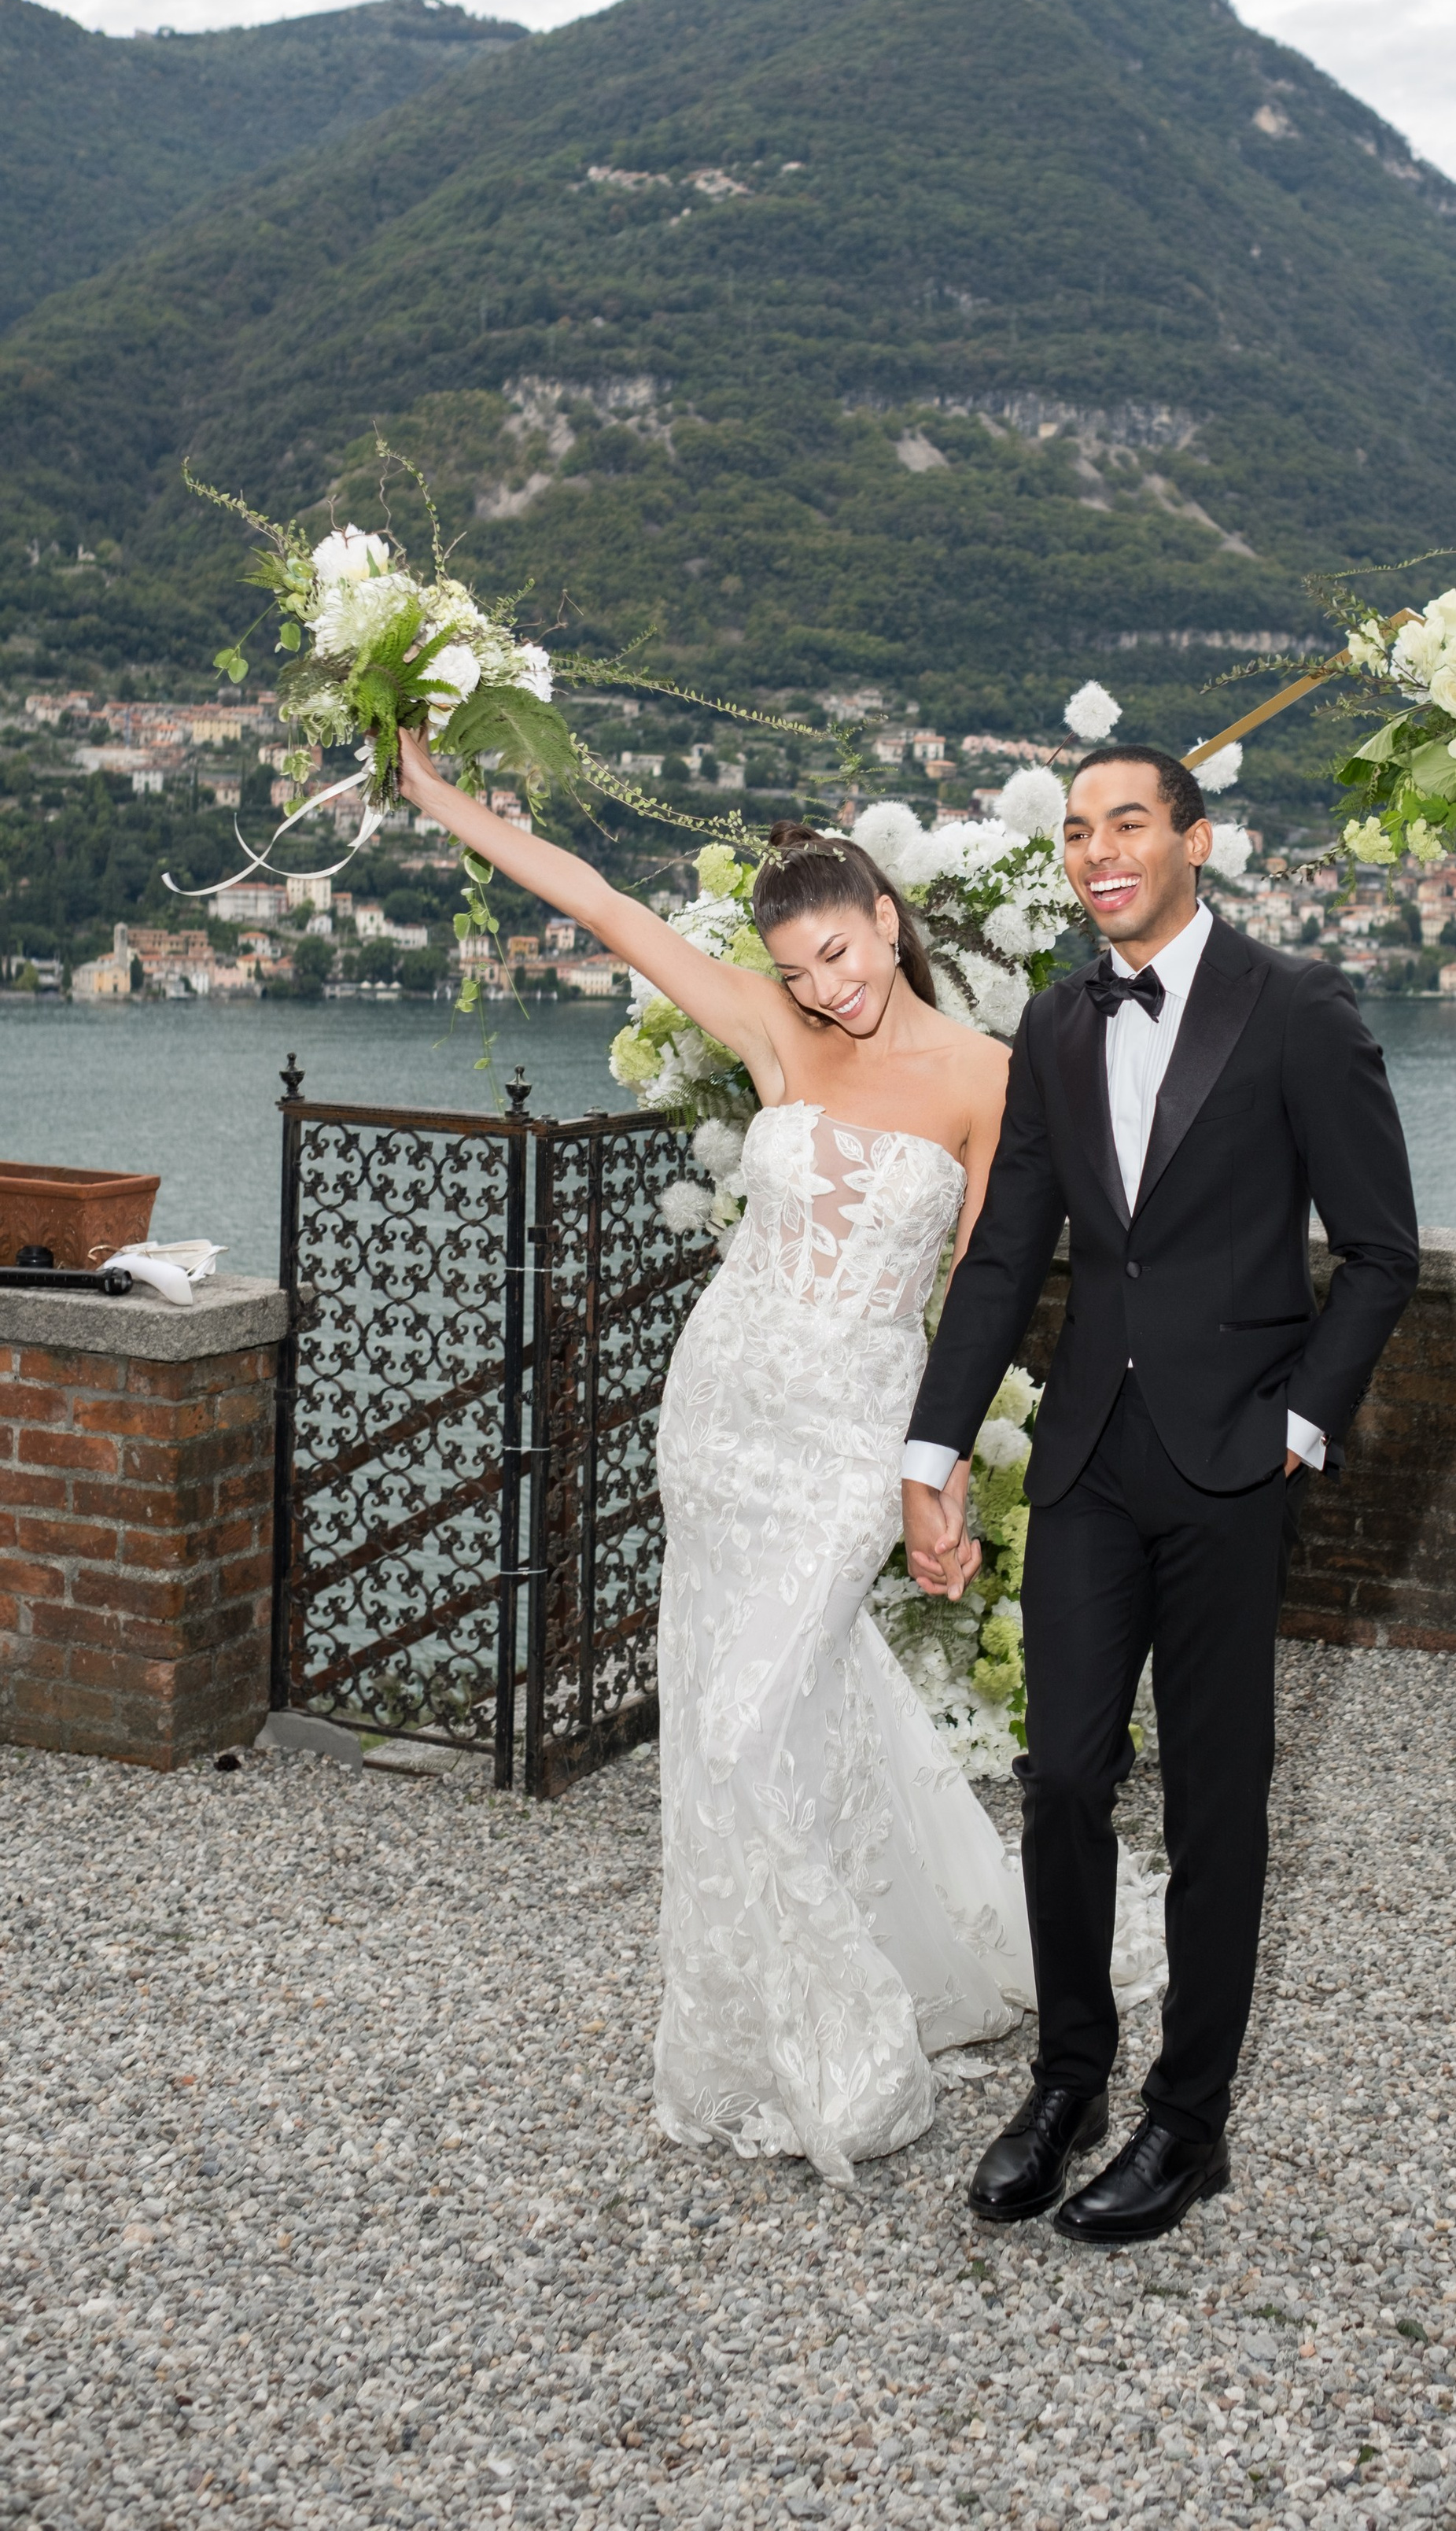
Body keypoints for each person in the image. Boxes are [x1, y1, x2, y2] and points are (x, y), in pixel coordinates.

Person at [396, 733, 1056, 2185]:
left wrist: (934, 1481)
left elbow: (981, 1296)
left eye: (840, 952)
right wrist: (445, 799)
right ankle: (787, 2010)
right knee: (759, 1706)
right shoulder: (775, 1033)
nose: (826, 988)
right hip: (722, 1415)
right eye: (800, 968)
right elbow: (606, 910)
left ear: (889, 918)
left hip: (847, 1436)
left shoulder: (992, 1078)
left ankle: (848, 2031)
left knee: (753, 1719)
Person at [902, 743, 1419, 2243]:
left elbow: (1382, 1252)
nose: (1097, 850)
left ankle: (1189, 2125)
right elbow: (1007, 1255)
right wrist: (931, 1455)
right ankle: (1070, 2080)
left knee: (1215, 1800)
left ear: (1198, 839)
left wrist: (1301, 1427)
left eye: (1128, 822)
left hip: (1229, 1463)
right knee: (1060, 1773)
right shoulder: (1057, 1023)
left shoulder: (1300, 1009)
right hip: (1086, 1458)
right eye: (1076, 831)